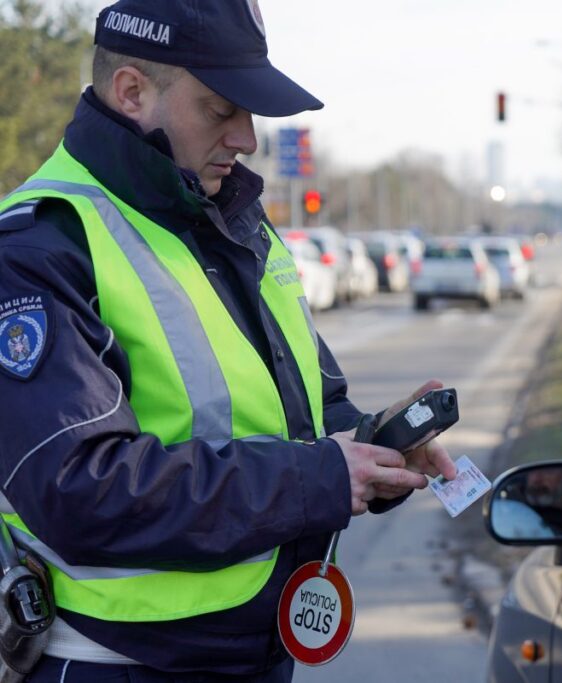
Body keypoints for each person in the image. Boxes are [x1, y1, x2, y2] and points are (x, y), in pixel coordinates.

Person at [0, 1, 457, 681]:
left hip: (253, 657)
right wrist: (321, 477)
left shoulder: (230, 219)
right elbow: (79, 491)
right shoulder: (42, 245)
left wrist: (375, 446)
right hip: (116, 664)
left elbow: (306, 410)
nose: (246, 137)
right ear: (132, 92)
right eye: (221, 109)